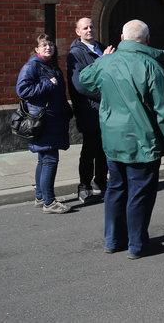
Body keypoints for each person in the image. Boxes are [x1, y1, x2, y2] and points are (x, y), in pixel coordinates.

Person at [80, 20, 164, 259]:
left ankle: (113, 240)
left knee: (116, 188)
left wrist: (102, 60)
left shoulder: (106, 62)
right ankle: (137, 244)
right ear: (147, 39)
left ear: (122, 37)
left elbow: (84, 80)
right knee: (140, 192)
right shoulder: (152, 67)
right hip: (142, 139)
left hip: (113, 137)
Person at [16, 34, 73, 214]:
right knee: (50, 159)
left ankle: (41, 197)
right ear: (37, 49)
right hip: (43, 120)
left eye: (50, 45)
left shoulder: (50, 66)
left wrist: (65, 109)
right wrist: (48, 85)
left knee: (43, 159)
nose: (48, 48)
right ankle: (49, 202)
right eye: (44, 45)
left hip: (53, 118)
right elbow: (22, 90)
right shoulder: (32, 66)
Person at [67, 17, 115, 203]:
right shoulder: (75, 54)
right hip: (89, 109)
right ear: (78, 32)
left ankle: (101, 182)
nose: (89, 30)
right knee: (89, 149)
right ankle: (84, 185)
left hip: (106, 109)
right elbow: (80, 85)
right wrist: (105, 96)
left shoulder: (102, 48)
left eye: (91, 27)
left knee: (105, 148)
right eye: (85, 28)